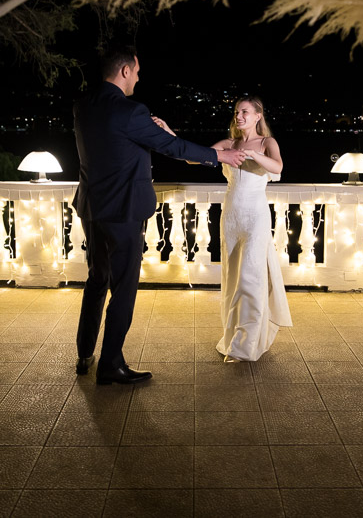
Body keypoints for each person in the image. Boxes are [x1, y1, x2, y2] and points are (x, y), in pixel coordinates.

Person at [72, 45, 246, 385]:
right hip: (123, 211)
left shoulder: (82, 106)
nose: (138, 76)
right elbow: (173, 148)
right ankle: (110, 365)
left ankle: (84, 353)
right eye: (136, 71)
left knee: (96, 280)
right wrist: (218, 156)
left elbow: (115, 149)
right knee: (123, 289)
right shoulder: (131, 111)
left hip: (92, 208)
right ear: (124, 71)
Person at [211, 96, 293, 361]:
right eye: (237, 112)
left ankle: (248, 344)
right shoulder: (229, 144)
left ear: (258, 116)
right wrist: (168, 134)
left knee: (250, 277)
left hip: (256, 217)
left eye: (245, 111)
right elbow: (197, 159)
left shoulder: (268, 143)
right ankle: (232, 336)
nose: (239, 116)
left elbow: (278, 167)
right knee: (232, 277)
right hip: (231, 217)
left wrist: (256, 154)